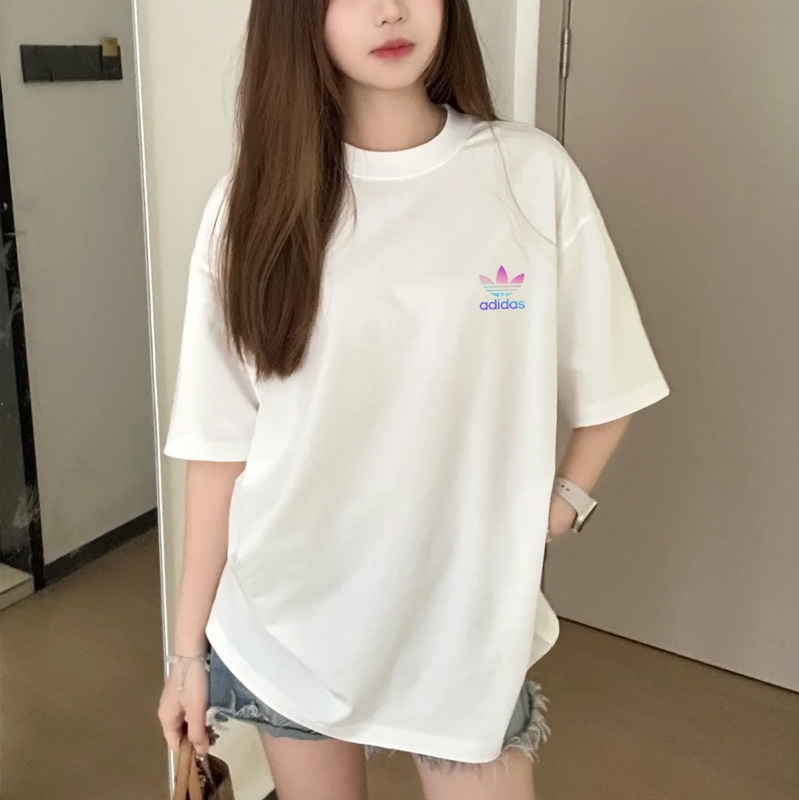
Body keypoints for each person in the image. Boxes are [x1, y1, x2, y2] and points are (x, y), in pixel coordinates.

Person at [157, 1, 670, 798]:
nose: (391, 10)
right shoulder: (248, 207)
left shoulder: (529, 175)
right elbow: (219, 450)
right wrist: (187, 653)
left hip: (465, 626)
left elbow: (615, 378)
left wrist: (561, 505)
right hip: (289, 619)